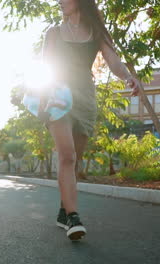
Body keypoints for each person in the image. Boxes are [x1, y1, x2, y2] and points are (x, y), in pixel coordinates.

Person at [43, 0, 139, 241]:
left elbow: (113, 60)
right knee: (67, 156)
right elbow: (45, 67)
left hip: (85, 99)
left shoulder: (96, 32)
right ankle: (74, 216)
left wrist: (128, 77)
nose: (60, 2)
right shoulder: (53, 33)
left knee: (75, 160)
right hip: (59, 97)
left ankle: (63, 209)